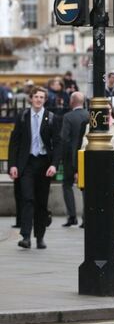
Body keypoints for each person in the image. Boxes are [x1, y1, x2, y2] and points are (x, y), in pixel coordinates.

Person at [8, 85, 62, 249]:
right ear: (31, 99)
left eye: (41, 97)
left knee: (41, 202)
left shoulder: (51, 118)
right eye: (36, 97)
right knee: (27, 199)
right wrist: (12, 165)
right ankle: (26, 236)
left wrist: (54, 165)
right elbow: (14, 142)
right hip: (27, 163)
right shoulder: (23, 116)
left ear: (45, 100)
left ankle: (40, 237)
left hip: (44, 163)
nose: (38, 100)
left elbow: (57, 144)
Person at [81, 104, 114, 219]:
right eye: (103, 109)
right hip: (97, 168)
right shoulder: (90, 126)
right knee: (99, 201)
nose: (106, 112)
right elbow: (84, 147)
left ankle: (111, 226)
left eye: (108, 109)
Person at [60, 91, 89, 227]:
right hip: (85, 156)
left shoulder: (68, 117)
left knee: (67, 185)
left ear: (72, 101)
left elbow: (64, 138)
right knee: (85, 187)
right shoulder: (89, 115)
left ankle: (72, 216)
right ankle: (86, 218)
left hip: (69, 158)